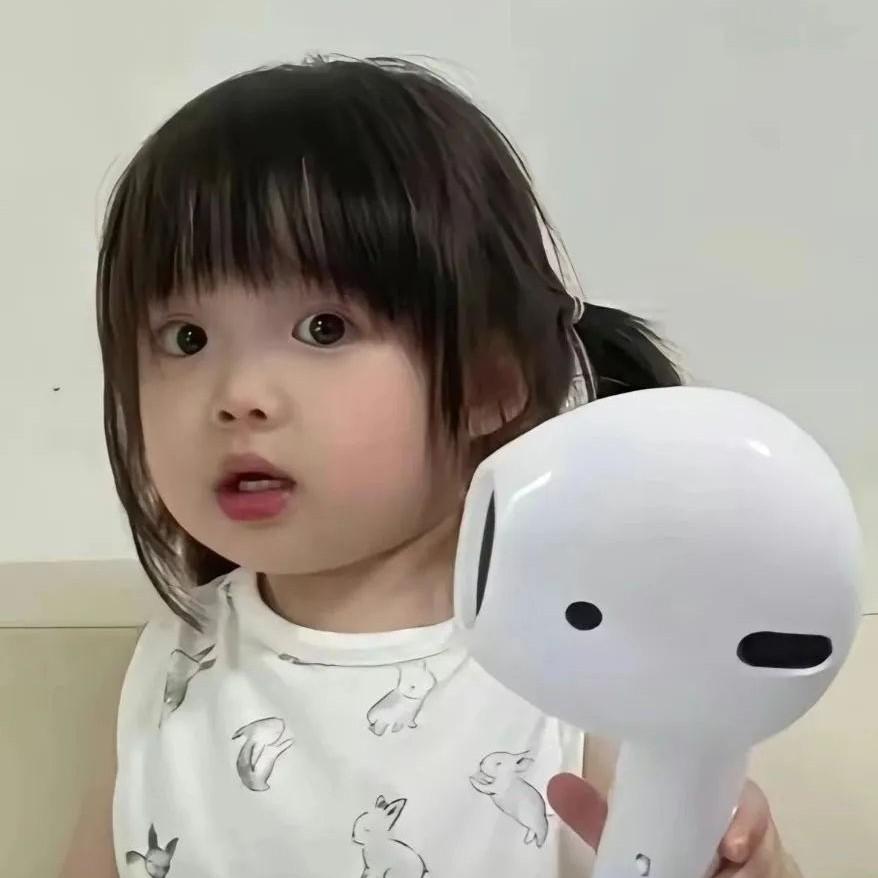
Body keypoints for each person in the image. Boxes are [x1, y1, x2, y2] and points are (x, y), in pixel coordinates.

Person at [62, 57, 802, 878]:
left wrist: (740, 860)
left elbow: (694, 842)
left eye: (324, 328)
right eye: (186, 339)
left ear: (490, 382)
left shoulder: (581, 665)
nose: (237, 396)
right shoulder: (167, 667)